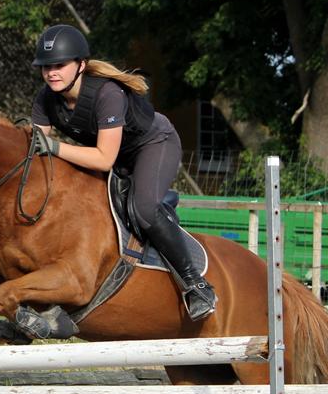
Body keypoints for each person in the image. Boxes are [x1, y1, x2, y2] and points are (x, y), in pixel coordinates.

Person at [29, 24, 217, 322]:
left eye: (59, 65)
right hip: (116, 155)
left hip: (154, 145)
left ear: (81, 65)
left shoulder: (107, 94)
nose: (51, 72)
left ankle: (197, 285)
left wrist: (53, 147)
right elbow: (31, 150)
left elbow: (103, 159)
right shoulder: (45, 99)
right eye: (46, 67)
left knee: (143, 209)